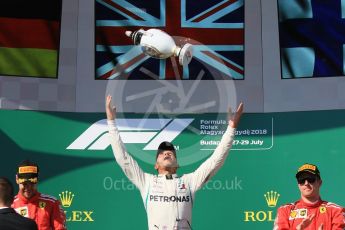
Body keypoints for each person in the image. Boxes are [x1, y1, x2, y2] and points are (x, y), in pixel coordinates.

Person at [106, 95, 243, 230]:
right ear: (156, 165)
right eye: (161, 153)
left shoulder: (189, 181)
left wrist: (231, 129)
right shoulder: (146, 181)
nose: (166, 153)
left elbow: (215, 161)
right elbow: (122, 158)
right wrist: (111, 122)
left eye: (171, 152)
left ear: (177, 164)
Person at [273, 163, 345, 230]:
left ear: (320, 182)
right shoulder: (285, 210)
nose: (306, 183)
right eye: (302, 180)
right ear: (298, 184)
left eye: (311, 179)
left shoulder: (336, 211)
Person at [11, 160, 67, 230]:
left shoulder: (52, 203)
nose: (28, 187)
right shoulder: (11, 205)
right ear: (17, 179)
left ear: (37, 179)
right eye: (24, 183)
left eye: (32, 183)